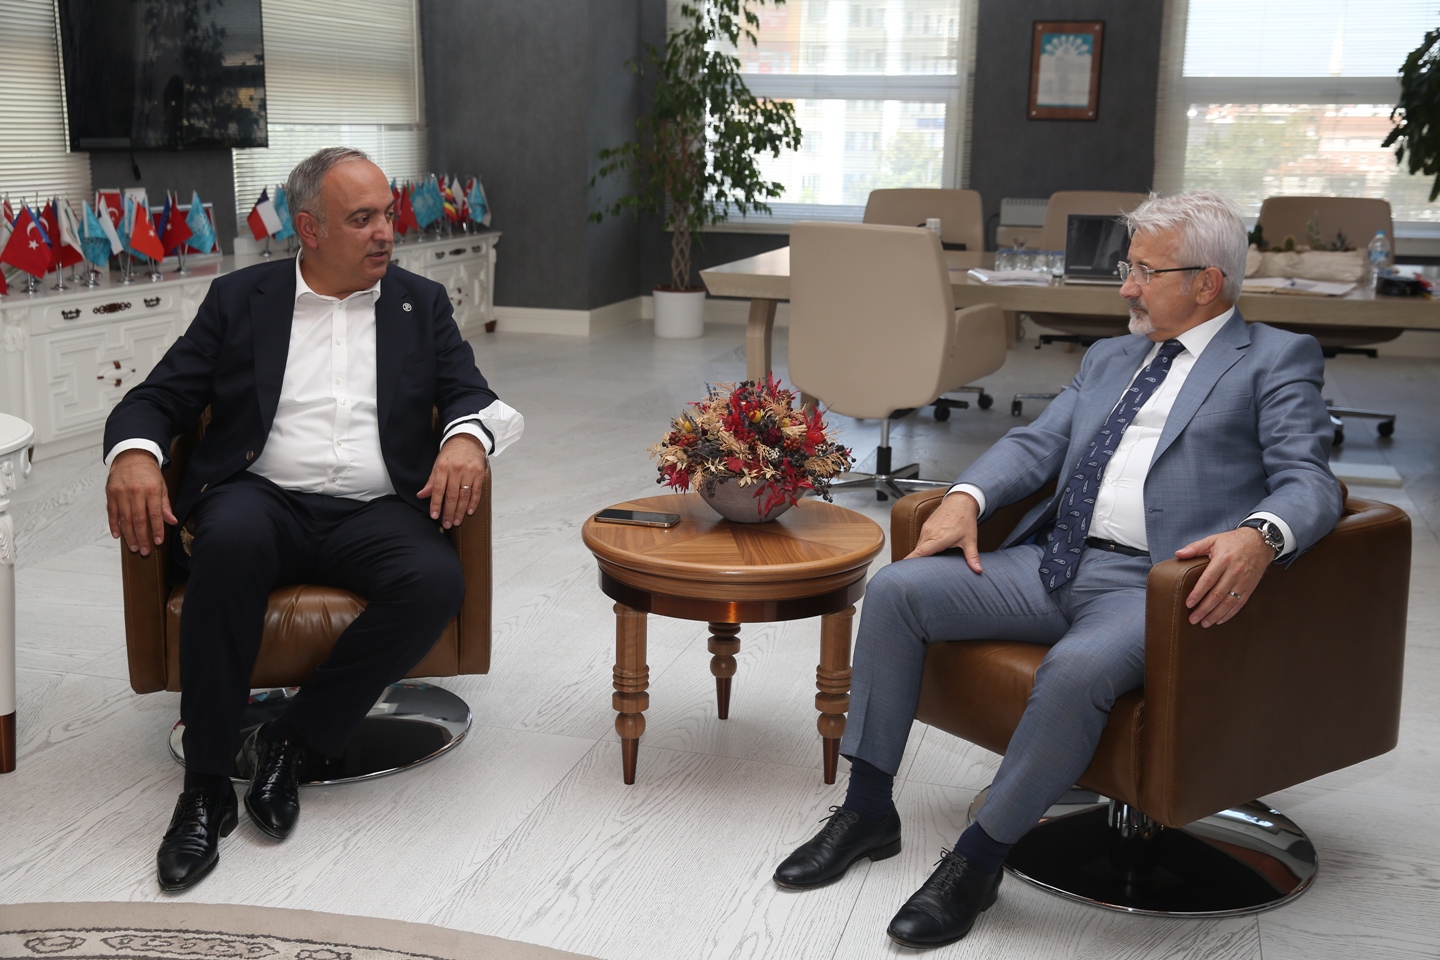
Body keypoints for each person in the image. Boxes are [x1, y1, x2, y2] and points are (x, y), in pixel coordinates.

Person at [771, 191, 1342, 948]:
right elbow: (1036, 445)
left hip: (1157, 587)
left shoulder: (1274, 358)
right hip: (1056, 561)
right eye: (1128, 268)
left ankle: (977, 863)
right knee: (898, 590)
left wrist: (1259, 535)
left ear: (1208, 283)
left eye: (1145, 272)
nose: (1126, 287)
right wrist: (967, 497)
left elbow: (1310, 482)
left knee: (1075, 669)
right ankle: (868, 811)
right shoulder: (1110, 357)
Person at [103, 147, 523, 892]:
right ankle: (205, 788)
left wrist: (466, 438)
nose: (385, 232)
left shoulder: (419, 303)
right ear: (309, 229)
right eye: (361, 219)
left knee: (433, 579)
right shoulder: (241, 299)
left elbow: (470, 393)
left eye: (387, 214)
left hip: (374, 507)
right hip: (260, 495)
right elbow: (158, 397)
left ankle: (292, 743)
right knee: (228, 543)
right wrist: (135, 455)